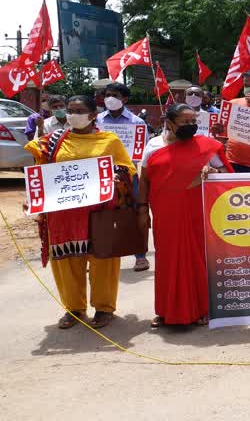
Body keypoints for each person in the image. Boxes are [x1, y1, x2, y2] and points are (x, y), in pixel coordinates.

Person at [24, 95, 137, 329]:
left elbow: (127, 169)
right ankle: (74, 309)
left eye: (79, 110)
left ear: (93, 115)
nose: (73, 115)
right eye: (70, 110)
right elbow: (41, 174)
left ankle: (104, 308)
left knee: (103, 261)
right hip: (63, 215)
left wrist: (117, 178)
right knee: (66, 262)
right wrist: (35, 199)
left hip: (99, 213)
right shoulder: (52, 142)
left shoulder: (109, 140)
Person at [137, 104, 232, 327]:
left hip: (196, 211)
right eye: (184, 122)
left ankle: (200, 309)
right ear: (169, 122)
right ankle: (164, 310)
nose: (190, 126)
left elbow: (226, 172)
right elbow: (144, 179)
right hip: (165, 213)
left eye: (193, 121)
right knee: (167, 260)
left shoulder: (205, 146)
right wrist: (142, 209)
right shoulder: (154, 146)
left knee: (196, 258)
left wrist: (213, 172)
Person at [96, 82, 150, 272]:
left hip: (129, 175)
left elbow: (141, 152)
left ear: (125, 99)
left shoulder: (137, 123)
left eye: (115, 96)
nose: (110, 98)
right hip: (101, 174)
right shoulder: (97, 121)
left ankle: (141, 256)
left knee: (136, 213)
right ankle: (102, 254)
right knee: (102, 214)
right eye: (107, 94)